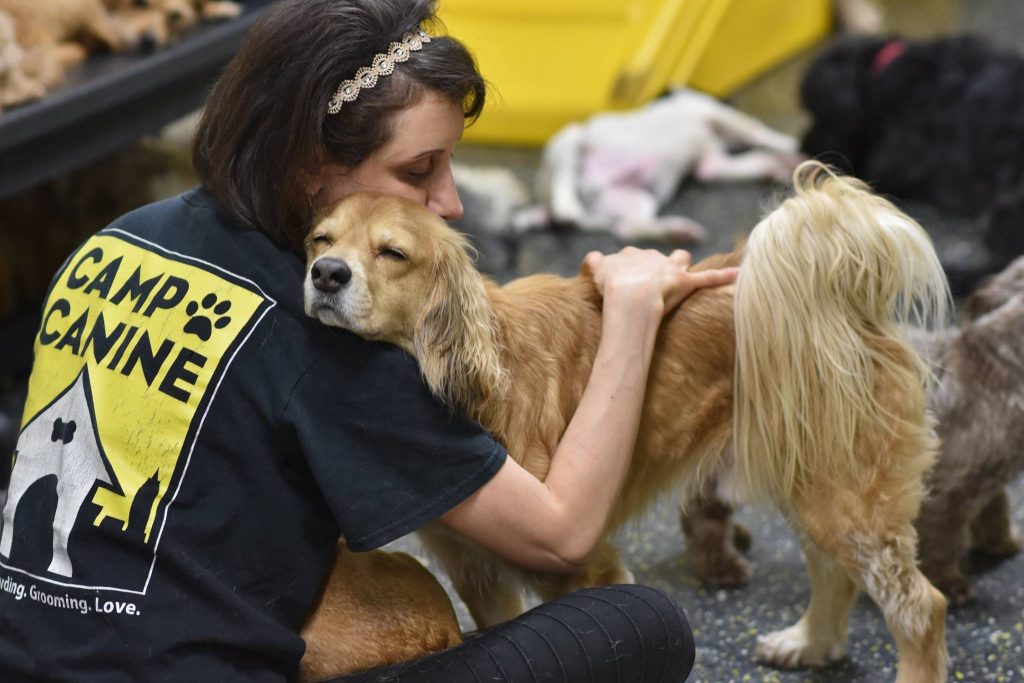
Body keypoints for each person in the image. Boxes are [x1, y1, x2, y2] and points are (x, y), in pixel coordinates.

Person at [0, 0, 738, 680]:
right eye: (419, 171)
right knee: (642, 623)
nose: (448, 201)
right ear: (310, 166)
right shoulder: (336, 341)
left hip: (27, 651)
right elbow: (562, 538)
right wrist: (634, 312)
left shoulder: (110, 242)